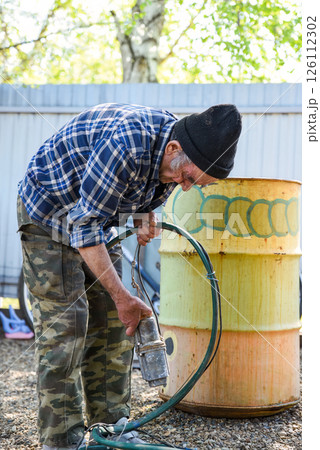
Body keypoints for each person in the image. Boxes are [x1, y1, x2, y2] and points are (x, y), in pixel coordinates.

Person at [17, 102, 242, 449]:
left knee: (114, 323)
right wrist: (123, 295)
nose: (184, 188)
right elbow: (83, 226)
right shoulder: (126, 145)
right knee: (68, 326)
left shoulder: (176, 152)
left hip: (95, 220)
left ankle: (112, 426)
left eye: (196, 184)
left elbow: (141, 190)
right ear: (173, 149)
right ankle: (61, 437)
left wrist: (145, 212)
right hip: (50, 213)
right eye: (187, 178)